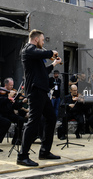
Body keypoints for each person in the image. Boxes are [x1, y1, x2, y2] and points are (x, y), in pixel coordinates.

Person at [17, 29, 62, 167]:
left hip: (42, 91)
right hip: (35, 91)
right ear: (36, 39)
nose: (43, 43)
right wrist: (51, 53)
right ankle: (22, 156)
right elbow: (40, 52)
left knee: (51, 118)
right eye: (42, 40)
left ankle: (44, 151)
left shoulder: (35, 56)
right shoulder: (28, 49)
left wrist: (53, 64)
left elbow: (43, 72)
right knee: (33, 122)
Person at [0, 77, 26, 145]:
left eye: (12, 85)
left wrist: (22, 102)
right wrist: (8, 98)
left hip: (9, 113)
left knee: (21, 120)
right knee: (2, 121)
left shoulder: (12, 93)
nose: (12, 87)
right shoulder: (0, 92)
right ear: (6, 85)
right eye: (11, 85)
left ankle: (16, 139)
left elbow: (15, 106)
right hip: (0, 112)